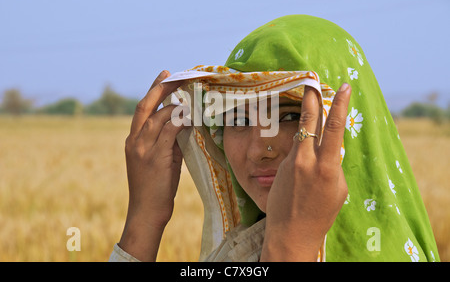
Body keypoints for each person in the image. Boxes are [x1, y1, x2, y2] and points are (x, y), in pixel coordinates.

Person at [110, 15, 440, 262]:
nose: (258, 150)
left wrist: (287, 248)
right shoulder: (243, 253)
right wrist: (144, 219)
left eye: (290, 116)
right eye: (237, 119)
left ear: (350, 128)